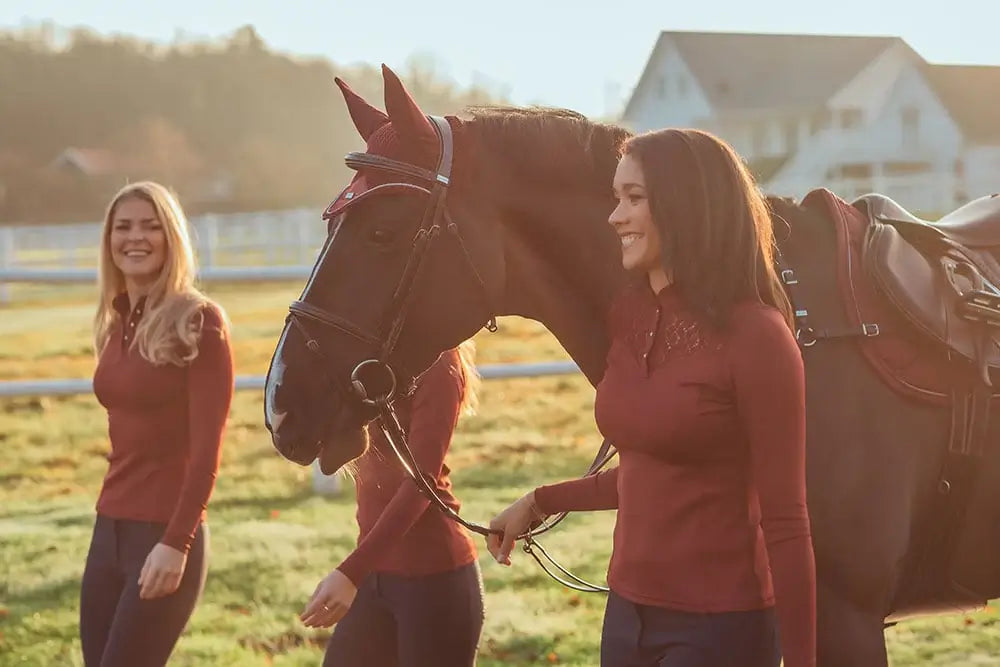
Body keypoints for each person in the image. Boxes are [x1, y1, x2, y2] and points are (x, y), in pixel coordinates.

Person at [487, 128, 816, 667]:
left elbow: (787, 517)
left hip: (721, 628)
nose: (615, 216)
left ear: (688, 206)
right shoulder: (631, 317)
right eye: (617, 197)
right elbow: (651, 474)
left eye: (634, 198)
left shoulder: (758, 336)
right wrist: (541, 500)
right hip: (627, 617)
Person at [81, 181, 234, 666]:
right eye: (123, 227)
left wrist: (177, 541)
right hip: (109, 529)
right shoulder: (116, 322)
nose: (136, 237)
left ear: (172, 238)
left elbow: (208, 451)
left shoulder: (199, 322)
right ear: (109, 241)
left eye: (151, 226)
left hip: (164, 532)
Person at [300, 340, 485, 667]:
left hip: (433, 580)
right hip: (374, 572)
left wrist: (350, 573)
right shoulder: (369, 356)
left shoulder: (439, 361)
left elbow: (422, 482)